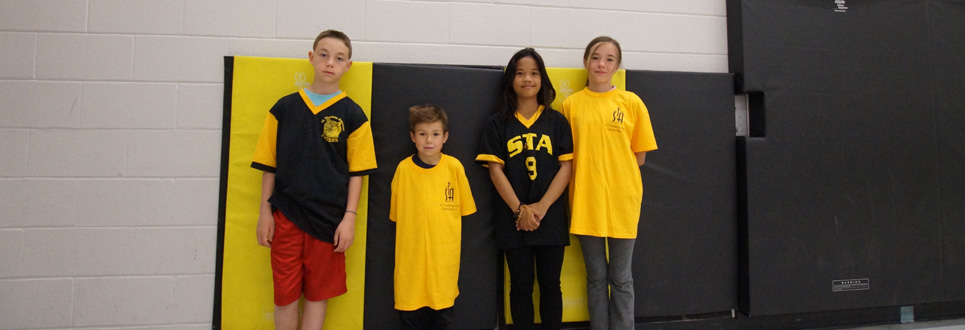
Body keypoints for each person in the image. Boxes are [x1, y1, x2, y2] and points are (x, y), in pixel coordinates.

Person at [251, 29, 377, 330]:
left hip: (329, 221)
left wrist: (349, 218)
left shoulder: (354, 114)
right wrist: (264, 211)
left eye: (339, 58)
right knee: (284, 296)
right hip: (286, 215)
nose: (330, 62)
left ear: (348, 66)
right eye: (323, 54)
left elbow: (357, 173)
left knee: (318, 296)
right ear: (311, 58)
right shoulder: (284, 108)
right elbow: (269, 164)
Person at [560, 36, 657, 330]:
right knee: (596, 277)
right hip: (585, 202)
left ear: (617, 66)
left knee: (621, 278)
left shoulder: (631, 103)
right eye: (596, 57)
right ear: (586, 61)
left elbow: (638, 157)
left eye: (609, 59)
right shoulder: (570, 105)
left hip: (622, 203)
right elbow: (568, 159)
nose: (601, 64)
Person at [476, 48, 573, 330]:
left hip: (550, 217)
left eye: (534, 73)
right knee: (520, 287)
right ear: (510, 79)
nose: (527, 79)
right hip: (513, 219)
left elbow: (565, 169)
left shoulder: (557, 122)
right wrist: (520, 211)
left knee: (551, 286)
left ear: (542, 78)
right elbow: (495, 170)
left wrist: (540, 209)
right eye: (520, 73)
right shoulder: (497, 123)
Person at [390, 104, 477, 330]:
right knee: (410, 320)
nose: (429, 140)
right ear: (413, 137)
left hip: (443, 265)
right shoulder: (403, 170)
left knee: (443, 319)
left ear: (445, 137)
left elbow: (466, 210)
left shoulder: (454, 168)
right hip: (411, 265)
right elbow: (397, 216)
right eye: (422, 134)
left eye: (435, 134)